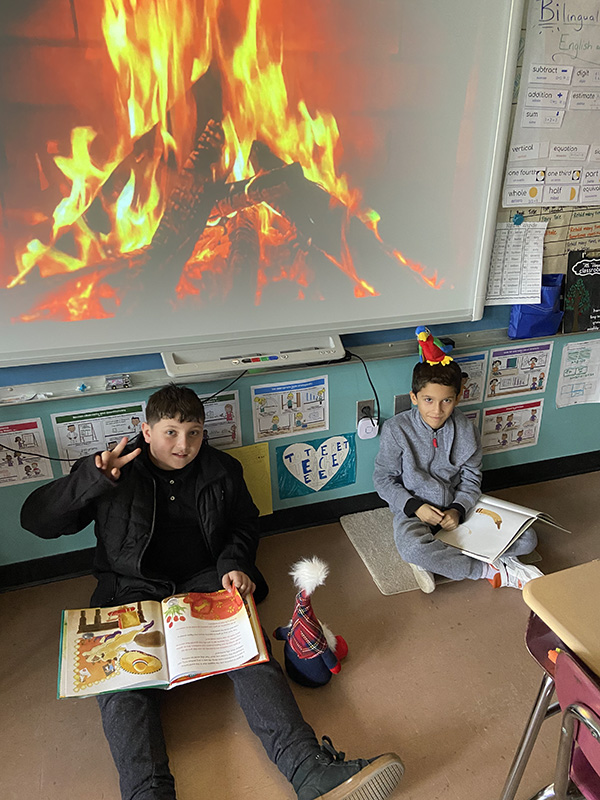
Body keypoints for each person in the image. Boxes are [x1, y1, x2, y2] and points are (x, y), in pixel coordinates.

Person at [21, 384, 403, 800]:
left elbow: (243, 525)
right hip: (128, 592)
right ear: (146, 431)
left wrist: (234, 565)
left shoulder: (221, 469)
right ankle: (147, 792)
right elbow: (36, 521)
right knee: (121, 688)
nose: (183, 445)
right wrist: (91, 480)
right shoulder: (112, 470)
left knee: (254, 657)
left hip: (203, 584)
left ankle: (309, 769)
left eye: (194, 432)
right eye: (170, 432)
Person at [373, 360, 542, 594]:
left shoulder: (465, 429)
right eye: (428, 400)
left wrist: (458, 509)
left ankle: (439, 559)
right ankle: (487, 570)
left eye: (447, 401)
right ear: (414, 397)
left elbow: (472, 479)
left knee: (528, 539)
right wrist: (415, 506)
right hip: (414, 512)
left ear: (458, 398)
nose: (437, 410)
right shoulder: (396, 429)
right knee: (412, 548)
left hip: (459, 510)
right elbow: (383, 480)